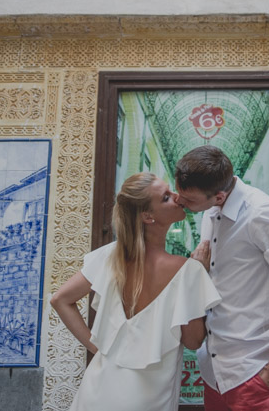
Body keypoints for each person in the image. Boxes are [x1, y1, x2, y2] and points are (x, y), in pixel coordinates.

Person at [174, 145, 269, 411]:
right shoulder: (209, 214)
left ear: (220, 196)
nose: (180, 202)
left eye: (188, 200)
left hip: (254, 376)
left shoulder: (263, 214)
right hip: (213, 377)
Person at [51, 172, 221, 411]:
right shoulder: (188, 271)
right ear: (147, 216)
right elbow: (193, 341)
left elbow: (60, 300)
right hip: (147, 401)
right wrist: (201, 272)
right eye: (165, 197)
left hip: (96, 391)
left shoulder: (110, 255)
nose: (177, 197)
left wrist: (96, 348)